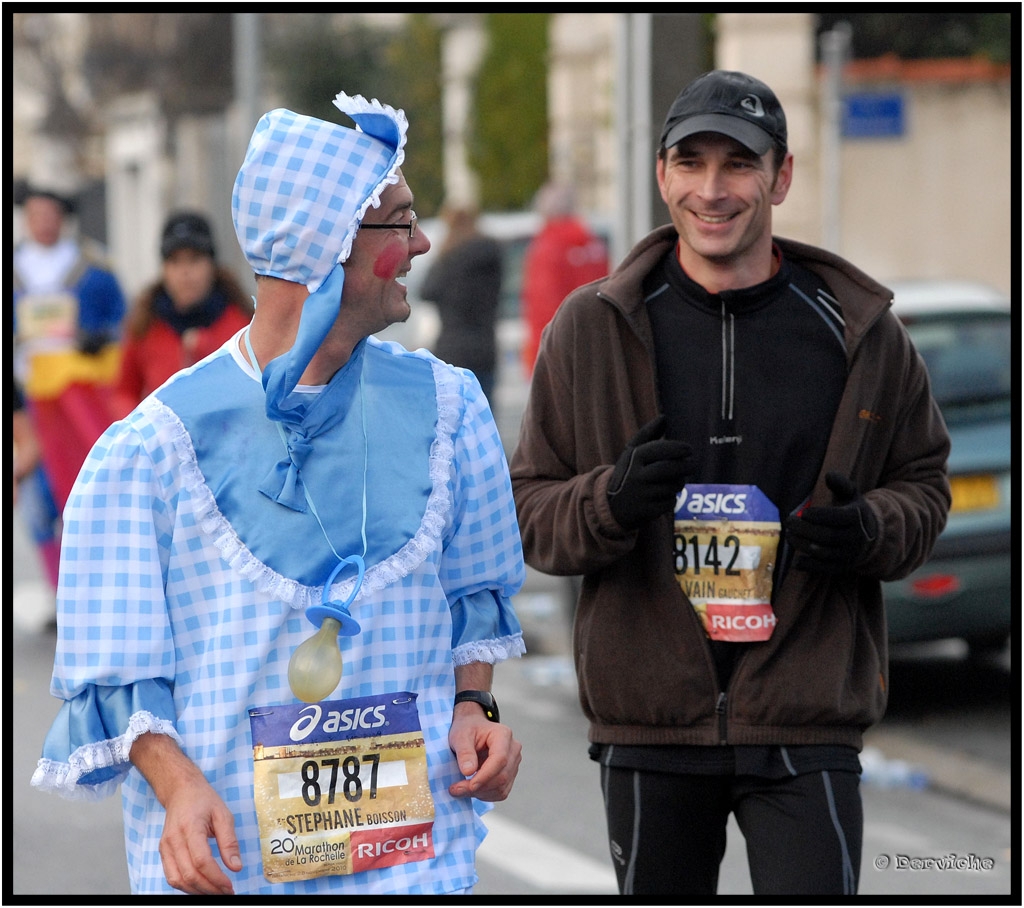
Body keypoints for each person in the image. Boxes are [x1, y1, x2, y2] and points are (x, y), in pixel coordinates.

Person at [32, 91, 527, 897]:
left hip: (406, 866)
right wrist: (178, 785)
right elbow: (118, 676)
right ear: (326, 246)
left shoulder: (450, 410)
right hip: (236, 869)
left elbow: (473, 597)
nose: (424, 241)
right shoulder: (151, 451)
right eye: (399, 222)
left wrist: (478, 711)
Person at [509, 70, 951, 896]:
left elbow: (923, 488)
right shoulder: (592, 327)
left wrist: (870, 531)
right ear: (662, 174)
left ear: (781, 177)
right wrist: (607, 500)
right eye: (692, 162)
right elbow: (530, 512)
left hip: (805, 711)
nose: (713, 190)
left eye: (739, 165)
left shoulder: (860, 332)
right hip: (651, 719)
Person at [13, 183, 127, 587]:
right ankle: (59, 588)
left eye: (51, 215)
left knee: (86, 485)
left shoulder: (94, 266)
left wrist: (100, 337)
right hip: (25, 400)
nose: (44, 223)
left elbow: (121, 321)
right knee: (39, 501)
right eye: (36, 215)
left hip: (82, 396)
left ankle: (91, 584)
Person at [110, 210, 254, 419]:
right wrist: (139, 427)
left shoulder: (241, 325)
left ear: (211, 265)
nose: (185, 272)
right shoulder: (145, 324)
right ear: (164, 269)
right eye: (175, 261)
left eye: (194, 259)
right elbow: (123, 393)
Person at [520, 182, 609, 375]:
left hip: (557, 358)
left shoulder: (547, 247)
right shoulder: (593, 244)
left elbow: (545, 308)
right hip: (596, 350)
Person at [420, 203, 503, 400]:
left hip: (453, 348)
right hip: (485, 348)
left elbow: (426, 291)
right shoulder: (492, 257)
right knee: (484, 413)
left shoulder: (448, 260)